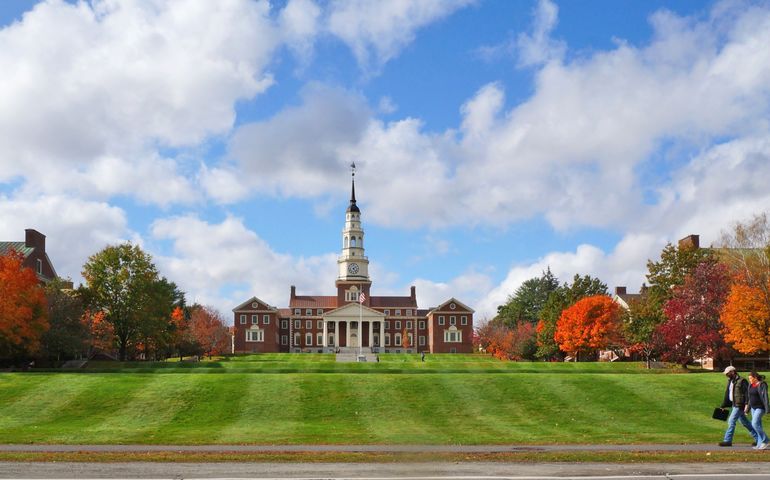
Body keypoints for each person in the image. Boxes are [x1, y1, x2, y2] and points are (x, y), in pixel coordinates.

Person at [719, 365, 759, 447]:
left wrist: (747, 405)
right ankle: (759, 439)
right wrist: (723, 405)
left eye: (727, 373)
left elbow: (748, 393)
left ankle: (727, 440)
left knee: (731, 421)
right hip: (734, 404)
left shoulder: (742, 381)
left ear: (732, 372)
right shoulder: (730, 381)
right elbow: (728, 394)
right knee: (745, 423)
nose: (726, 375)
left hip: (739, 405)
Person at [747, 371, 770, 450]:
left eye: (750, 378)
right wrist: (747, 409)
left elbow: (765, 397)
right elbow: (750, 398)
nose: (749, 380)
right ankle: (760, 444)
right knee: (758, 425)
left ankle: (766, 440)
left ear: (755, 378)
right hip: (753, 408)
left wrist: (767, 409)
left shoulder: (762, 384)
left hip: (760, 407)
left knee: (754, 424)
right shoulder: (751, 385)